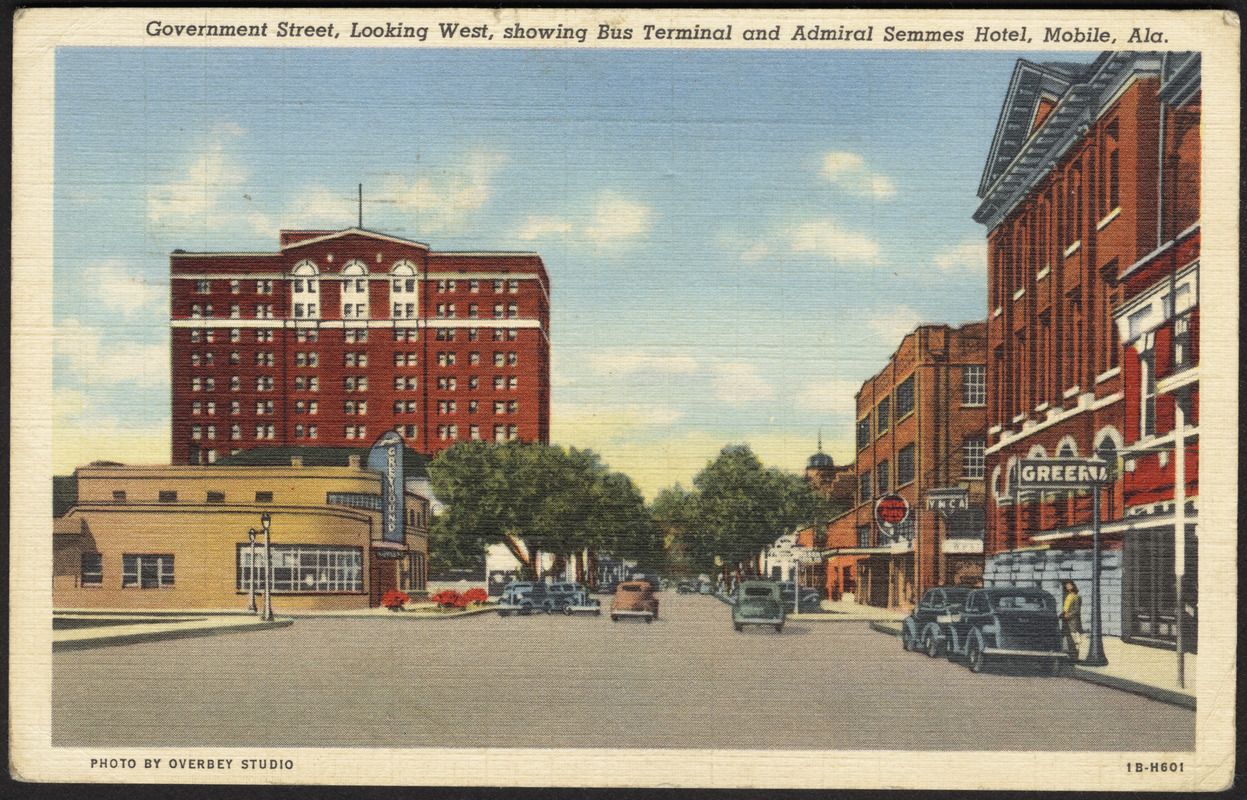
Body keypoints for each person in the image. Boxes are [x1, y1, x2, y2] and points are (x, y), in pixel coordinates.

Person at [1061, 580, 1084, 662]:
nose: (1067, 586)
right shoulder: (1068, 596)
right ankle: (1069, 657)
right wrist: (1063, 613)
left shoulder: (1076, 597)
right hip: (1065, 620)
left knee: (1073, 639)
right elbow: (1066, 607)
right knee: (1067, 638)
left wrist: (1069, 615)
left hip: (1072, 621)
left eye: (1069, 585)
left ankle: (1074, 658)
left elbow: (1077, 610)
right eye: (1066, 585)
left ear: (1073, 586)